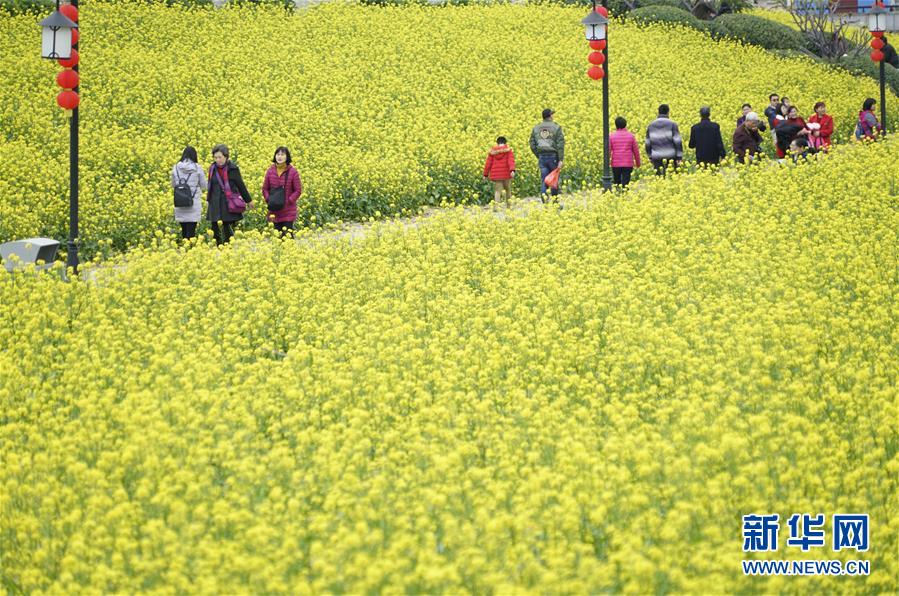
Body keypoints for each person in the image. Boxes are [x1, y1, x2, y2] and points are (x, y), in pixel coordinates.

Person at [207, 144, 253, 245]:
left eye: (220, 157)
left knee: (227, 230)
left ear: (226, 157)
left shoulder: (233, 169)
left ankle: (228, 251)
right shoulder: (212, 169)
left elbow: (241, 185)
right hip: (214, 204)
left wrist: (248, 200)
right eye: (215, 157)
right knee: (215, 229)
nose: (217, 160)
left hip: (228, 204)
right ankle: (217, 251)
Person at [262, 146, 302, 237]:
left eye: (282, 155)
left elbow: (298, 190)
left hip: (288, 210)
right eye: (278, 154)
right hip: (274, 210)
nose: (279, 157)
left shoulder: (293, 172)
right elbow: (265, 189)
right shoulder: (270, 171)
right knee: (277, 237)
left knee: (288, 237)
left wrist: (289, 200)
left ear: (287, 157)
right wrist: (269, 199)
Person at [171, 146, 207, 240]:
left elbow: (173, 184)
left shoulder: (175, 167)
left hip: (180, 201)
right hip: (193, 202)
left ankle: (184, 249)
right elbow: (204, 185)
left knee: (184, 228)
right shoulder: (197, 168)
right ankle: (190, 250)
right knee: (191, 230)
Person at [529, 108, 565, 200]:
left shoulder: (536, 128)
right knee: (553, 178)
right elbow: (560, 144)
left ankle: (544, 198)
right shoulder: (556, 127)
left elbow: (532, 144)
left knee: (544, 179)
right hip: (553, 156)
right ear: (550, 116)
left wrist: (538, 154)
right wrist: (560, 159)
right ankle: (554, 201)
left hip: (542, 156)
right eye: (552, 114)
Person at [645, 104, 683, 176]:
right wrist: (679, 157)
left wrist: (650, 156)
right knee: (672, 178)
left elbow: (648, 143)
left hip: (656, 157)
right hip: (670, 156)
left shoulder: (651, 125)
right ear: (668, 112)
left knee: (659, 179)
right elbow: (677, 141)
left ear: (658, 112)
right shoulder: (672, 124)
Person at [483, 136, 516, 207]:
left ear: (497, 143)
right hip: (506, 174)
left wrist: (485, 174)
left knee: (497, 191)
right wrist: (512, 170)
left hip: (496, 175)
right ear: (505, 142)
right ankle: (509, 206)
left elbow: (488, 164)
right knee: (508, 190)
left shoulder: (492, 152)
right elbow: (511, 161)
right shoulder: (508, 150)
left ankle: (496, 207)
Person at [608, 116, 641, 187]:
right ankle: (624, 196)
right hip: (628, 164)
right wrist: (638, 163)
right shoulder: (631, 136)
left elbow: (608, 151)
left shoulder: (611, 136)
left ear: (616, 125)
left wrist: (607, 164)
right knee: (626, 185)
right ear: (625, 125)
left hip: (616, 164)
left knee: (616, 183)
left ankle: (617, 196)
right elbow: (636, 151)